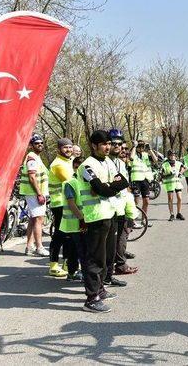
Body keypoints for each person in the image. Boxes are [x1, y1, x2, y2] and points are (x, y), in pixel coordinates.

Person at [78, 130, 129, 313]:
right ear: (93, 145)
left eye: (109, 143)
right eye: (104, 144)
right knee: (95, 259)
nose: (108, 147)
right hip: (96, 216)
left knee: (107, 256)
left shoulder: (108, 162)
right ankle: (91, 299)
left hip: (111, 213)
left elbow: (123, 181)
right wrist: (108, 186)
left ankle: (100, 289)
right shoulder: (86, 166)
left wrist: (110, 186)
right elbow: (100, 189)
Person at [107, 130, 138, 282]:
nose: (118, 146)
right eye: (114, 143)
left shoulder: (120, 162)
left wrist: (130, 210)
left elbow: (125, 188)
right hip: (107, 210)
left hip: (121, 207)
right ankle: (110, 273)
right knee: (109, 243)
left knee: (121, 237)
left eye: (120, 144)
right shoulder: (104, 162)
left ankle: (117, 267)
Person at [47, 138, 75, 277]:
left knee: (68, 235)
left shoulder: (67, 161)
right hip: (59, 204)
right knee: (59, 235)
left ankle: (66, 263)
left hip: (66, 204)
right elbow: (70, 180)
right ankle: (53, 265)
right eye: (65, 148)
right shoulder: (58, 164)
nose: (68, 150)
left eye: (70, 147)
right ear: (58, 150)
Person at [20, 134, 50, 257]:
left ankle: (29, 246)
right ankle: (39, 247)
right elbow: (32, 177)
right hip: (34, 193)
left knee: (33, 219)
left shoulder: (36, 157)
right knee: (39, 219)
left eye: (41, 143)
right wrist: (39, 193)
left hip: (34, 193)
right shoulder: (32, 157)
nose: (40, 145)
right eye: (37, 143)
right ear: (31, 145)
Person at [60, 157, 86, 282]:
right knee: (80, 250)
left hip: (78, 222)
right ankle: (81, 274)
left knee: (74, 249)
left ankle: (72, 273)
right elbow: (71, 204)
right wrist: (82, 219)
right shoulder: (70, 182)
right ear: (75, 167)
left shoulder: (82, 181)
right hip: (75, 223)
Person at [129, 140, 157, 219]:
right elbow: (131, 158)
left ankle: (143, 220)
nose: (141, 148)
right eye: (139, 146)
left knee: (147, 201)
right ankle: (133, 220)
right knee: (136, 201)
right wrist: (134, 146)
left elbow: (156, 160)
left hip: (145, 180)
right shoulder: (133, 154)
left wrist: (150, 150)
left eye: (142, 146)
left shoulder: (145, 155)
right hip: (136, 180)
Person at [162, 150, 186, 221]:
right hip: (169, 183)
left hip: (177, 183)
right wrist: (168, 174)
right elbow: (162, 175)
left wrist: (180, 173)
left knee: (179, 198)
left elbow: (184, 168)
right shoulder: (164, 164)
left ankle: (179, 213)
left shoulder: (178, 163)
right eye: (171, 155)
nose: (172, 157)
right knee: (170, 199)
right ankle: (171, 214)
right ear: (168, 156)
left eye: (174, 155)